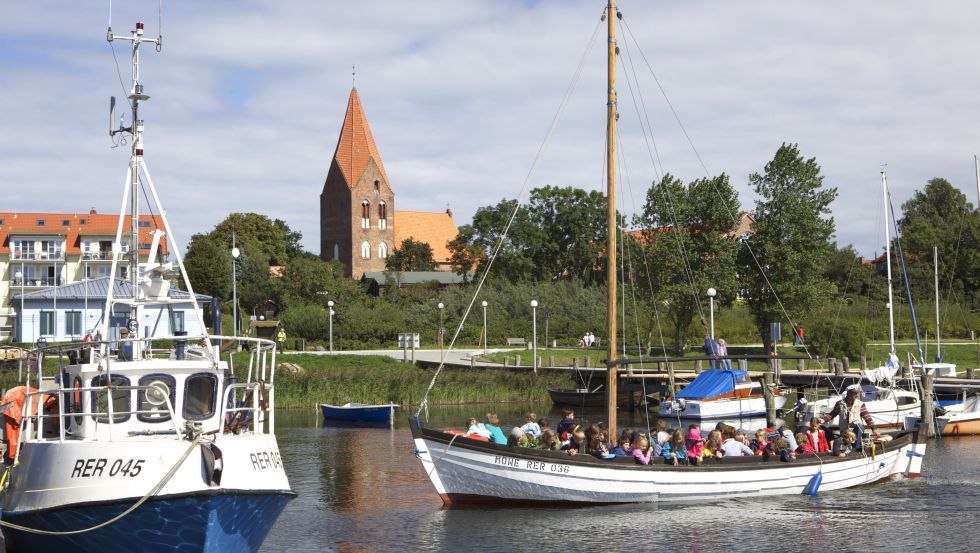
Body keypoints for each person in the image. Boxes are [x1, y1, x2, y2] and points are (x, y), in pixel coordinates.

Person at [816, 384, 879, 454]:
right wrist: (824, 420)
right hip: (845, 430)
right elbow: (832, 414)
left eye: (857, 393)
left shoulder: (860, 404)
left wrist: (874, 428)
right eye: (855, 393)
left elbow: (867, 417)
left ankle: (856, 449)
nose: (857, 395)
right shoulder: (839, 403)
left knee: (859, 426)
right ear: (849, 393)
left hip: (856, 430)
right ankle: (844, 451)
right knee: (843, 440)